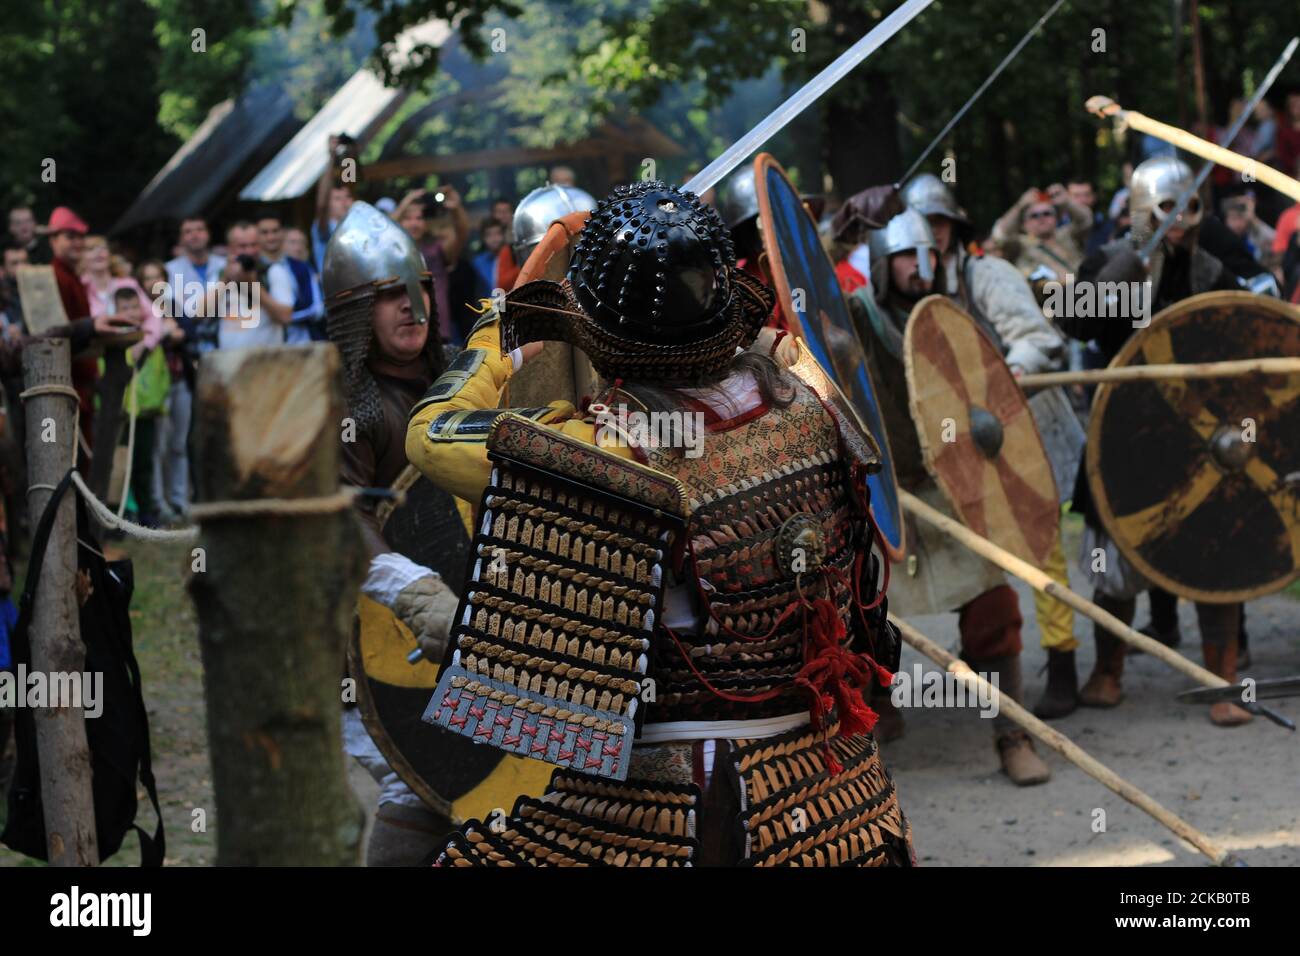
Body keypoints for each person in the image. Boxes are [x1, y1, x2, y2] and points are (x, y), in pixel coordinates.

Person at [406, 180, 914, 866]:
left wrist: (498, 335)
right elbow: (774, 347)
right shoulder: (812, 401)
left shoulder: (602, 447)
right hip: (835, 784)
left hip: (673, 800)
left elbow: (432, 434)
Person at [849, 207, 1051, 785]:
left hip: (951, 488)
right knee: (858, 616)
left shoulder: (949, 316)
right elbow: (815, 328)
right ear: (883, 266)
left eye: (928, 254)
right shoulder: (858, 315)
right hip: (884, 493)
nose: (921, 265)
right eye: (907, 256)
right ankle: (873, 720)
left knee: (995, 609)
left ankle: (1011, 734)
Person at [1061, 155, 1249, 727]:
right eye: (1168, 209)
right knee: (1115, 563)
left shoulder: (1211, 271)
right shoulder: (1109, 263)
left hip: (1200, 440)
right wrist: (1127, 261)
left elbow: (1245, 335)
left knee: (1215, 555)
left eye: (1190, 208)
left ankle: (1221, 679)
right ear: (1144, 211)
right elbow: (1075, 322)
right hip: (1126, 436)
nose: (1183, 222)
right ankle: (1108, 670)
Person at [901, 174, 1084, 719]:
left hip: (1023, 429)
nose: (928, 236)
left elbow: (1037, 337)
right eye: (918, 227)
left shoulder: (987, 274)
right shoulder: (912, 290)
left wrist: (1007, 380)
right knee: (975, 546)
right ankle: (986, 658)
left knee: (1040, 544)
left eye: (936, 224)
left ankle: (1064, 663)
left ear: (954, 228)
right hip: (966, 446)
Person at [321, 201, 461, 864]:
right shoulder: (347, 407)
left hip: (463, 631)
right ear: (354, 313)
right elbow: (341, 518)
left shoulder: (456, 381)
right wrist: (415, 591)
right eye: (387, 297)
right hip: (377, 644)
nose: (410, 307)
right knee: (418, 789)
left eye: (417, 291)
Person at [392, 187, 468, 342]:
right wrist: (406, 201)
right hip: (404, 328)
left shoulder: (437, 248)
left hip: (438, 329)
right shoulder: (391, 252)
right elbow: (383, 231)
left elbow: (461, 234)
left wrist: (456, 209)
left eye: (419, 218)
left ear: (426, 223)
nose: (414, 223)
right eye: (408, 218)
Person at [210, 221, 291, 350]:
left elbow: (285, 317)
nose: (249, 251)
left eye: (254, 244)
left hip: (268, 361)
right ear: (230, 248)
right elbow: (200, 313)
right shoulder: (221, 274)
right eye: (242, 246)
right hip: (229, 362)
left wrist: (252, 285)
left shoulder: (273, 271)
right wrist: (225, 280)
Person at [993, 184, 1093, 283]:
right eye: (1034, 216)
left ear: (1056, 219)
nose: (1041, 218)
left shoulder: (1067, 235)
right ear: (1024, 224)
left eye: (1047, 213)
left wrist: (1067, 202)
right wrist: (1020, 206)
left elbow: (1086, 221)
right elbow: (1000, 236)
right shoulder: (1021, 244)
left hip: (1079, 294)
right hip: (1041, 297)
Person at [257, 213, 324, 344]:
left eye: (275, 231)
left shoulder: (301, 267)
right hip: (263, 344)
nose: (271, 237)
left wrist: (285, 316)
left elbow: (316, 310)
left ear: (282, 233)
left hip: (300, 343)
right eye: (264, 232)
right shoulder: (250, 269)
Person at [471, 217, 505, 300]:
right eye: (489, 235)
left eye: (498, 233)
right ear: (483, 238)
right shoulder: (478, 263)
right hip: (490, 308)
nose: (494, 239)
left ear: (503, 235)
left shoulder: (513, 257)